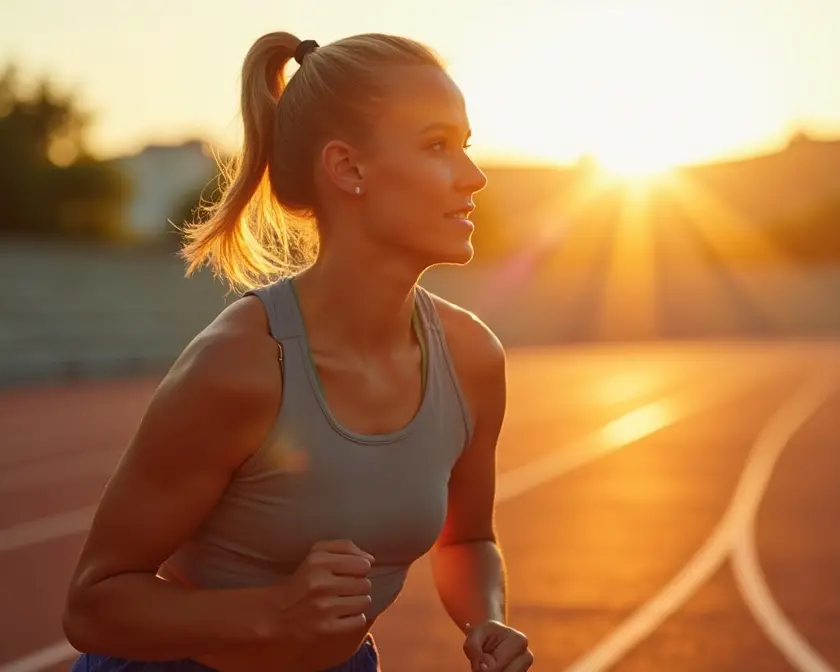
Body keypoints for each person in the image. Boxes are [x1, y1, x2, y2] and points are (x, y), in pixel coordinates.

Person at [61, 28, 534, 672]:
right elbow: (93, 606)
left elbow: (469, 538)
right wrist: (272, 613)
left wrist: (487, 620)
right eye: (437, 146)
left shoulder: (473, 357)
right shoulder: (243, 365)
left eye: (466, 146)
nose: (474, 177)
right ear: (347, 167)